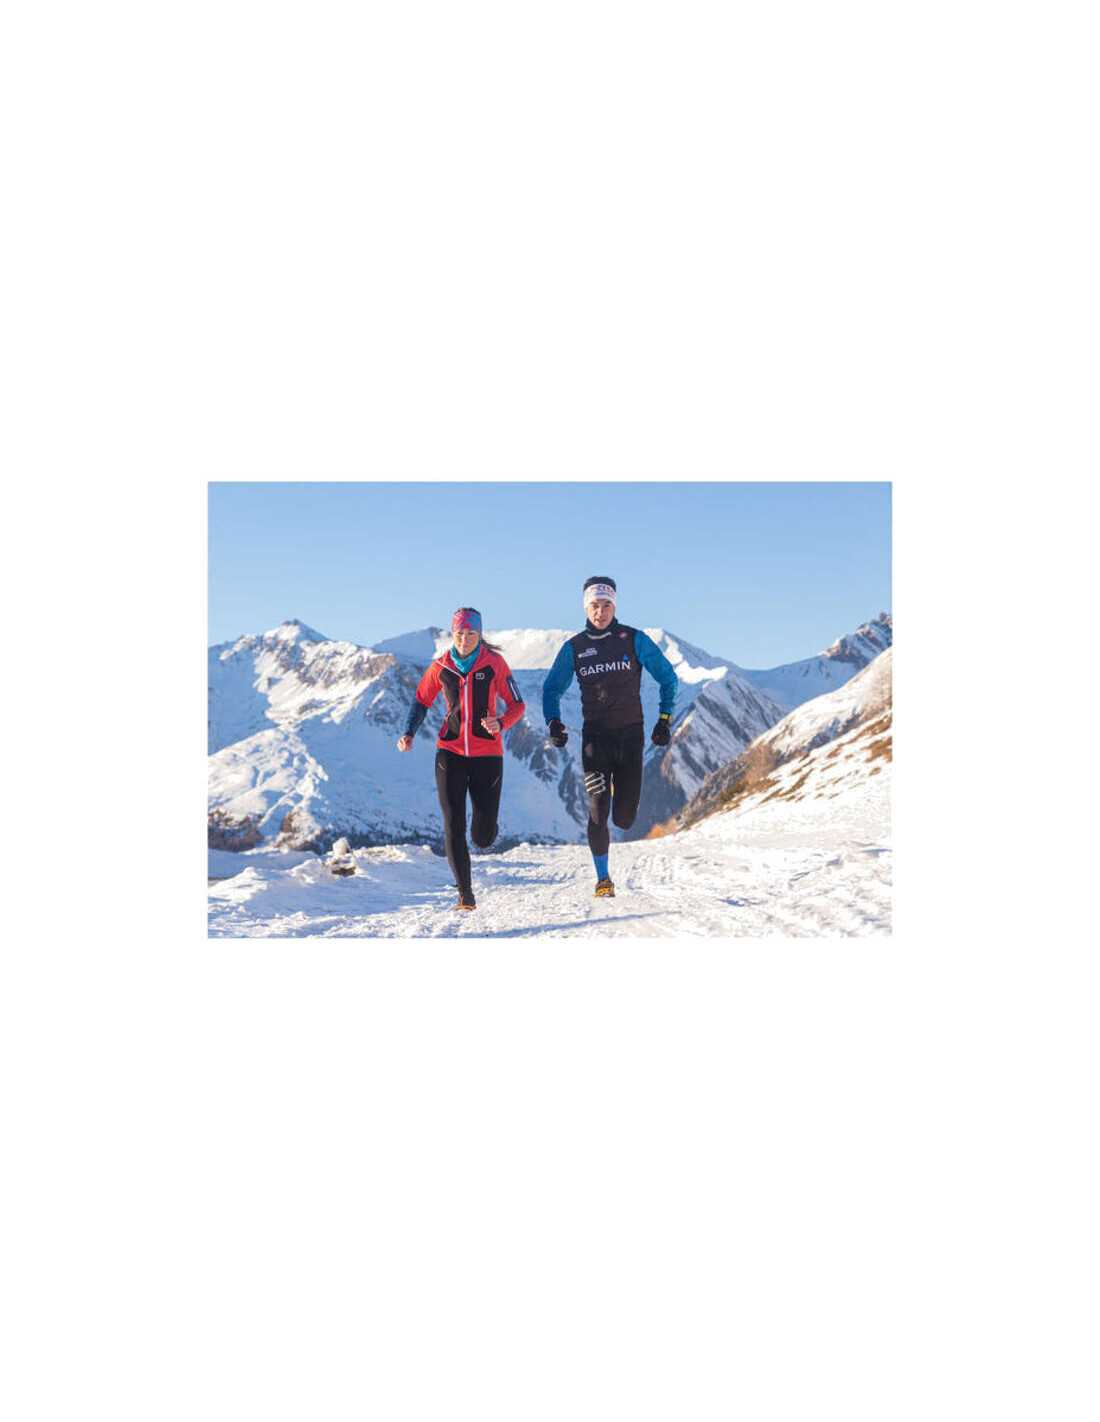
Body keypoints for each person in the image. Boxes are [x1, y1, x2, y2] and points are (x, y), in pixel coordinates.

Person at [541, 576, 678, 898]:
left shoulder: (633, 640)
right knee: (598, 810)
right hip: (596, 741)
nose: (600, 612)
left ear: (614, 607)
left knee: (625, 818)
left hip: (630, 738)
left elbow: (668, 678)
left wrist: (664, 719)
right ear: (585, 608)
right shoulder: (575, 648)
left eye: (606, 605)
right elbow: (551, 689)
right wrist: (553, 722)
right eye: (594, 606)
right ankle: (603, 879)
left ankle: (620, 816)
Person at [397, 608, 525, 911]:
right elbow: (421, 700)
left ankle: (486, 832)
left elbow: (517, 704)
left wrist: (501, 722)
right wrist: (409, 732)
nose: (464, 639)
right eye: (459, 633)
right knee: (453, 823)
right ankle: (465, 894)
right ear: (452, 634)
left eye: (471, 634)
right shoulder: (441, 666)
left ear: (479, 635)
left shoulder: (494, 663)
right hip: (450, 752)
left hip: (487, 755)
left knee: (482, 837)